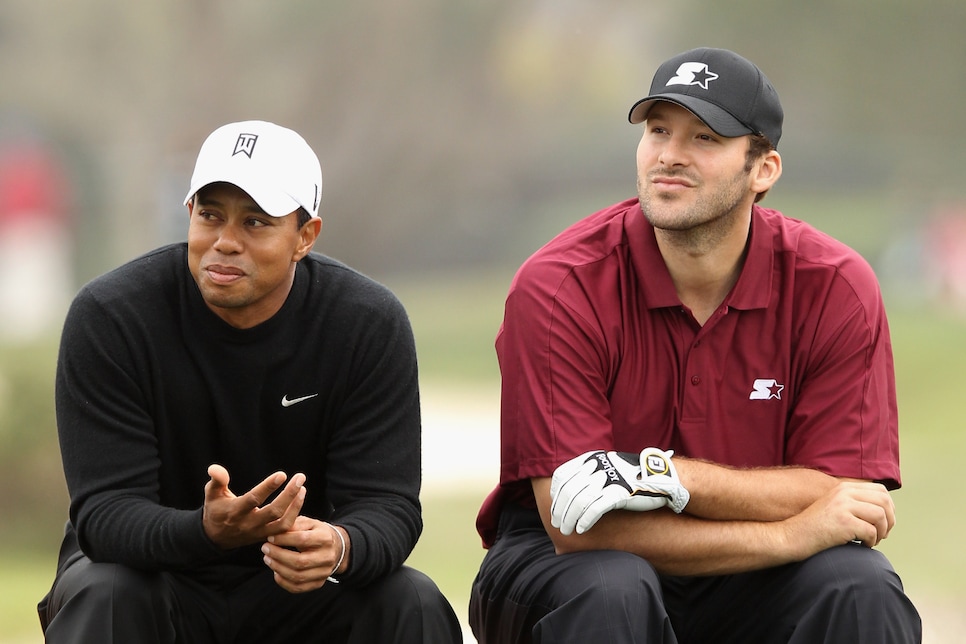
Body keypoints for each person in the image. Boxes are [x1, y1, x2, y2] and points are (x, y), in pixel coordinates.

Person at [469, 48, 922, 643]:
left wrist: (663, 477)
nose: (669, 155)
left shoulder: (834, 285)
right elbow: (575, 525)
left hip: (752, 574)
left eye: (705, 138)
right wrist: (789, 532)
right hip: (564, 563)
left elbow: (846, 494)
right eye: (658, 130)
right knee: (613, 587)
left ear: (763, 169)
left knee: (858, 585)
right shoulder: (559, 285)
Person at [38, 120, 463, 643]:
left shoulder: (366, 323)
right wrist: (204, 530)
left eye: (256, 222)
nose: (225, 242)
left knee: (409, 600)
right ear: (189, 213)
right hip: (153, 580)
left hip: (295, 589)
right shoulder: (111, 315)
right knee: (106, 590)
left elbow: (389, 504)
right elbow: (104, 515)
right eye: (210, 215)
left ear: (305, 237)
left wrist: (340, 545)